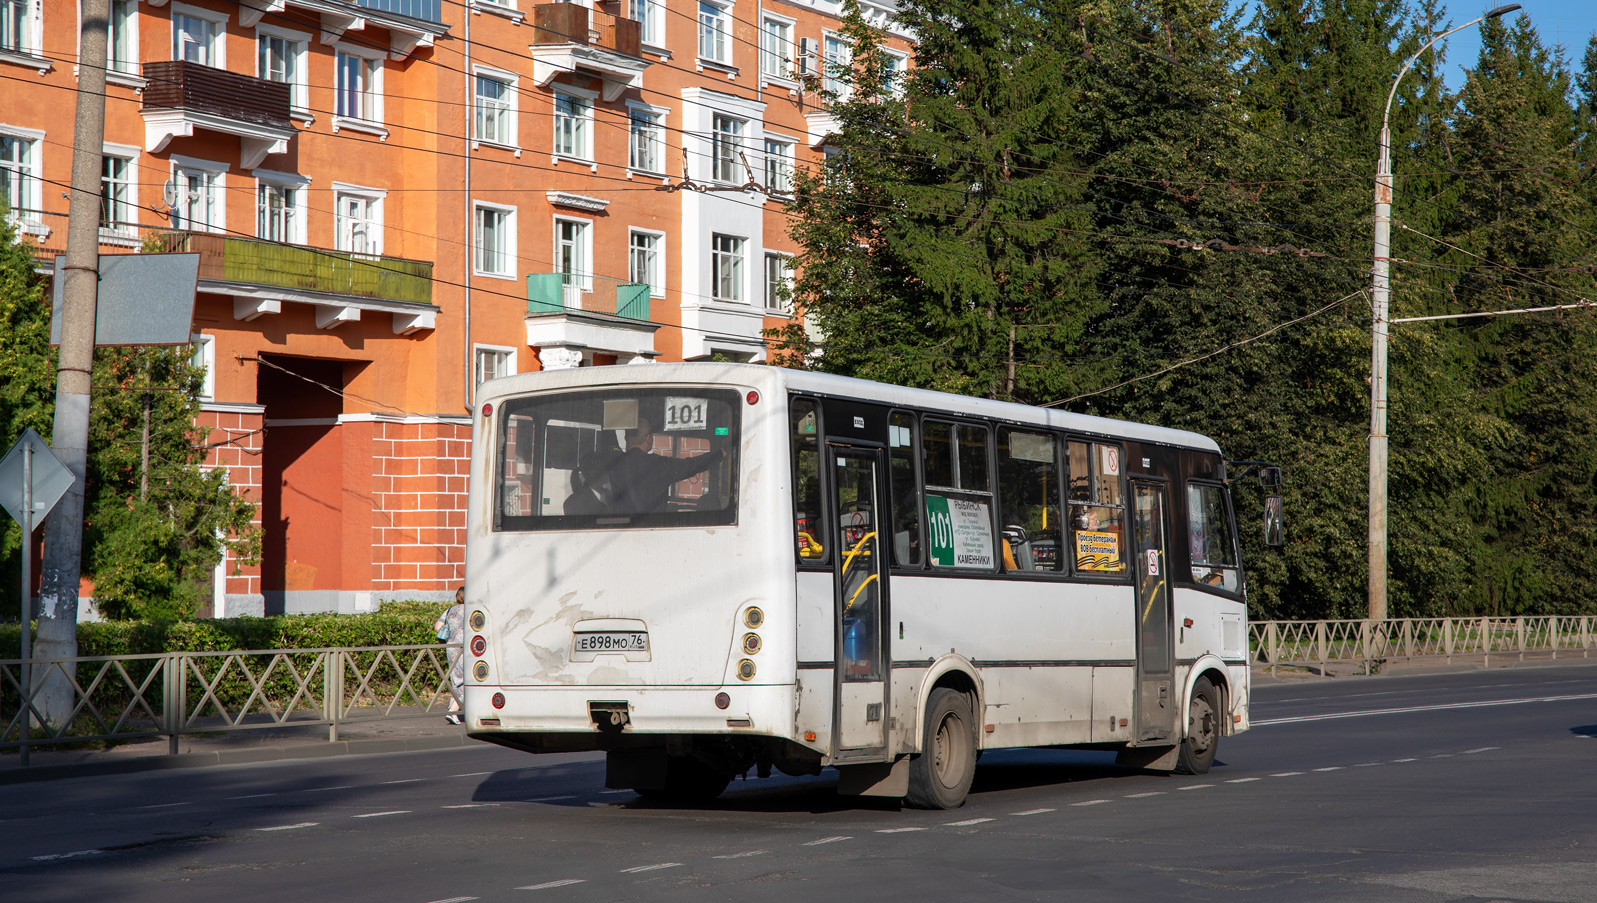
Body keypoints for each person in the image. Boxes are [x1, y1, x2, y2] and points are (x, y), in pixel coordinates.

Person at [606, 416, 727, 514]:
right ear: (649, 437)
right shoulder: (656, 464)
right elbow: (691, 466)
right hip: (652, 529)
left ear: (626, 438)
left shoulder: (614, 463)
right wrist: (721, 453)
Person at [433, 586, 466, 725]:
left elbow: (437, 627)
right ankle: (453, 710)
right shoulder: (471, 610)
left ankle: (454, 708)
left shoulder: (450, 610)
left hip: (451, 648)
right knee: (468, 679)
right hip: (466, 649)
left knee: (456, 678)